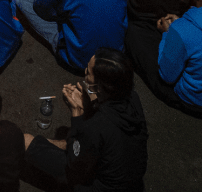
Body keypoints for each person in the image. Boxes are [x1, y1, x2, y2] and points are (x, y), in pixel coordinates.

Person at [21, 49, 148, 192]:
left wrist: (77, 113)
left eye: (88, 73)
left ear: (99, 87)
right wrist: (90, 103)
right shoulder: (132, 97)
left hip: (97, 185)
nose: (84, 73)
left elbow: (74, 166)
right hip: (127, 179)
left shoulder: (97, 126)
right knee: (68, 141)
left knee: (25, 141)